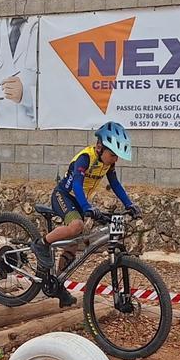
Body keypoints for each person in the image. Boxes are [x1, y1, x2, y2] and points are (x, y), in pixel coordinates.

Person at [33, 121, 140, 306]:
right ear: (100, 147)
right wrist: (86, 206)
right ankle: (41, 244)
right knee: (77, 226)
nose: (115, 159)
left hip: (79, 201)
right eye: (113, 155)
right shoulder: (85, 158)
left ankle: (58, 283)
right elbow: (76, 184)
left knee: (72, 246)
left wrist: (130, 204)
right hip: (64, 195)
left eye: (117, 156)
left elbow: (115, 184)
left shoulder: (107, 163)